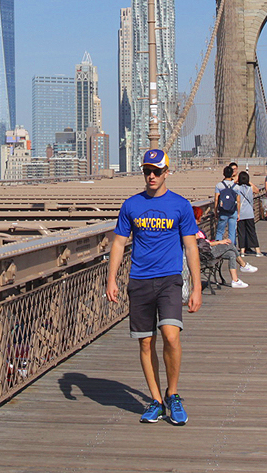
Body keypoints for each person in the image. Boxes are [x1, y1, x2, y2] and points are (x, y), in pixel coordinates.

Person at [106, 149, 201, 425]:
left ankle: (173, 394)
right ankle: (156, 400)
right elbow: (118, 244)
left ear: (166, 173)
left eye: (157, 171)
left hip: (170, 278)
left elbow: (191, 246)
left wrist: (197, 287)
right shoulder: (131, 205)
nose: (151, 176)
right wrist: (112, 279)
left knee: (171, 336)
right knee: (146, 342)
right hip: (139, 280)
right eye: (147, 170)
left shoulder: (180, 205)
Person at [235, 170, 262, 257]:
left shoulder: (237, 188)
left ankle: (242, 251)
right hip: (250, 213)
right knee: (252, 232)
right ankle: (257, 250)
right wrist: (248, 181)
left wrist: (237, 180)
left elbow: (231, 184)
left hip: (240, 213)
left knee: (241, 232)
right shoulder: (250, 188)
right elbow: (257, 190)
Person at [214, 165, 239, 246]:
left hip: (223, 211)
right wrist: (238, 213)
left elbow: (216, 199)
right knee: (232, 232)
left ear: (223, 173)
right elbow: (238, 201)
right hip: (233, 211)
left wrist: (215, 211)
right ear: (232, 174)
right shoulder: (236, 187)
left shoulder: (219, 185)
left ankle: (218, 249)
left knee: (220, 231)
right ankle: (232, 249)